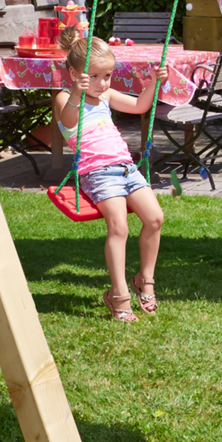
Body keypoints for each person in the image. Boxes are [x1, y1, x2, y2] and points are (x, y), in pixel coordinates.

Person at [52, 26, 166, 322]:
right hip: (97, 173)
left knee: (155, 218)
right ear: (74, 74)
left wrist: (153, 82)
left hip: (126, 168)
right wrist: (77, 91)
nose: (102, 83)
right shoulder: (66, 99)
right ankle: (119, 295)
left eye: (107, 76)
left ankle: (145, 278)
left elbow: (141, 106)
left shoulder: (105, 96)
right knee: (119, 227)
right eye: (94, 77)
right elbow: (68, 120)